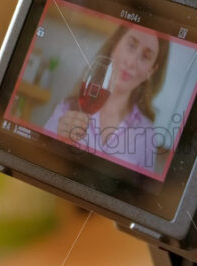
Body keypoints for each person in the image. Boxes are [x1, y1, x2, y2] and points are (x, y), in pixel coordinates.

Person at [44, 25, 169, 171]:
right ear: (115, 45)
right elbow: (39, 161)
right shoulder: (67, 108)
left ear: (152, 70)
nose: (131, 63)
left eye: (146, 56)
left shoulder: (147, 134)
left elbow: (141, 192)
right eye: (131, 45)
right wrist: (56, 142)